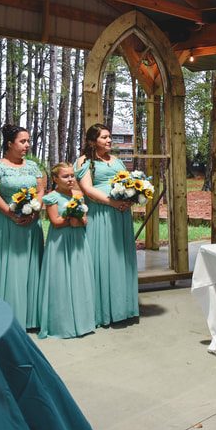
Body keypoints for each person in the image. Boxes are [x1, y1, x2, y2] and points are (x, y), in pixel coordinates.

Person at [0, 125, 45, 329]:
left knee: (29, 266)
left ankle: (31, 317)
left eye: (28, 141)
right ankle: (5, 317)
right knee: (7, 268)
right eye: (22, 141)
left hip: (31, 225)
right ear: (9, 143)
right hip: (6, 223)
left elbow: (41, 190)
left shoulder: (34, 167)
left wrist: (35, 210)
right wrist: (11, 214)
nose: (27, 145)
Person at [75, 123, 138, 326]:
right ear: (93, 141)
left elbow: (128, 183)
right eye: (104, 137)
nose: (109, 140)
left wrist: (130, 198)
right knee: (102, 258)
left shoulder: (117, 161)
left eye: (110, 136)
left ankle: (123, 307)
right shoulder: (85, 161)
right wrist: (112, 202)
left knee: (121, 258)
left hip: (121, 214)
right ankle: (100, 309)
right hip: (101, 213)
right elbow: (87, 189)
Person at [37, 163, 95, 339]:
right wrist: (70, 220)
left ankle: (82, 319)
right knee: (61, 278)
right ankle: (62, 323)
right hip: (60, 242)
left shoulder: (78, 195)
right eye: (65, 176)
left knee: (78, 276)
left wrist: (81, 220)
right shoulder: (52, 197)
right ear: (55, 179)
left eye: (72, 175)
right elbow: (55, 221)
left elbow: (85, 218)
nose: (70, 179)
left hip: (78, 240)